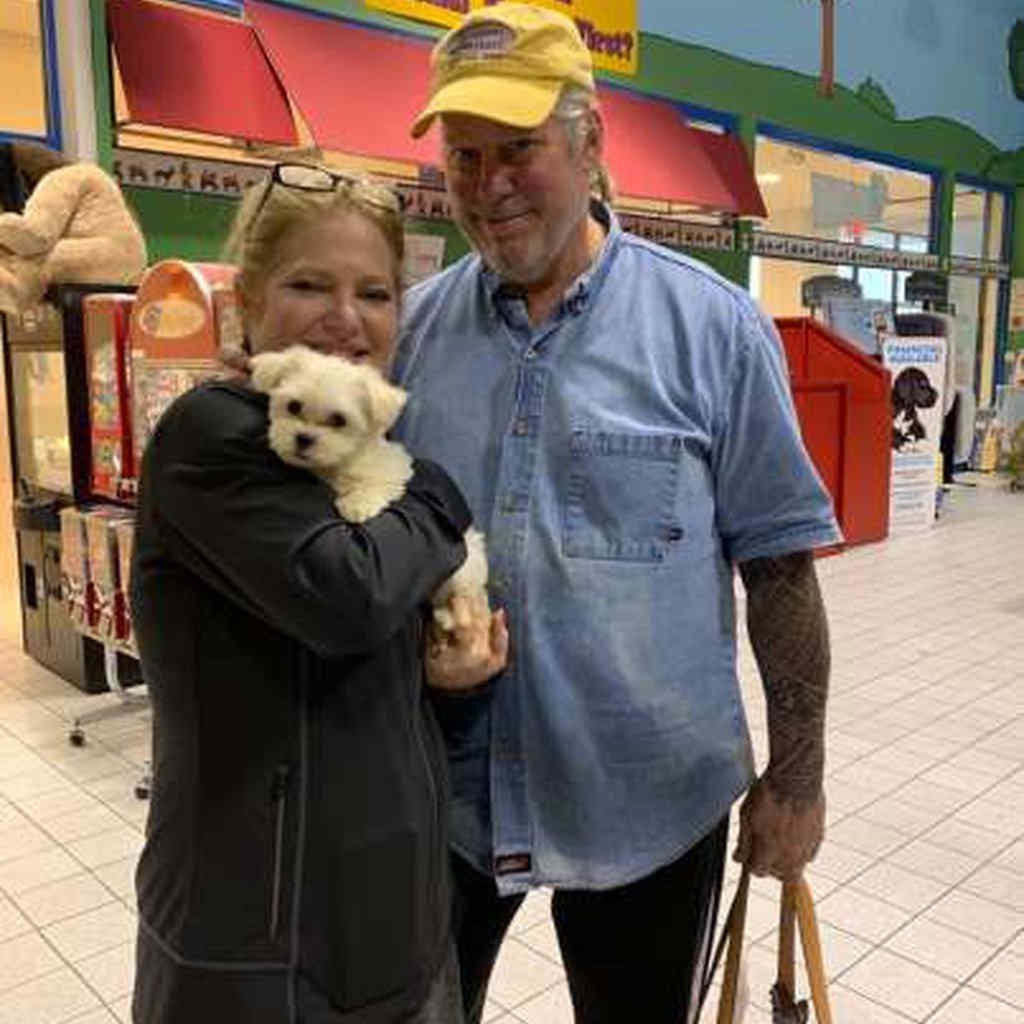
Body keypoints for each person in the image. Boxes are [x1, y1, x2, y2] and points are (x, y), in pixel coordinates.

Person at [392, 5, 841, 1023]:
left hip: (647, 802)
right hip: (445, 796)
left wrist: (797, 779)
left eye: (518, 149)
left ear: (589, 142)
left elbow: (779, 566)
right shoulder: (412, 336)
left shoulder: (711, 330)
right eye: (464, 156)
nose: (487, 183)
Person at [130, 163, 506, 1023]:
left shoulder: (357, 459)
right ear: (248, 302)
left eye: (374, 293)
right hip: (256, 938)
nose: (346, 318)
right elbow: (348, 597)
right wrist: (441, 497)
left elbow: (361, 670)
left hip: (394, 919)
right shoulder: (212, 436)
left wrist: (440, 677)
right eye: (308, 284)